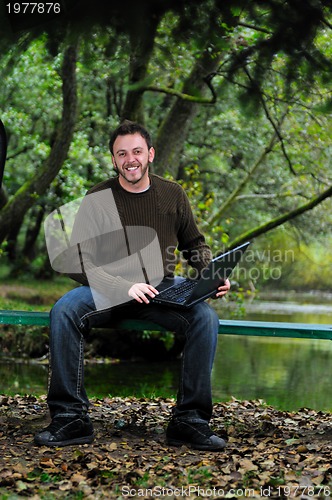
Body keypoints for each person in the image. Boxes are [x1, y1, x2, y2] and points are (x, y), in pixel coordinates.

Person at [34, 120, 231, 451]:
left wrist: (212, 275)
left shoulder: (172, 194)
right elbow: (79, 260)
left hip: (161, 288)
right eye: (121, 153)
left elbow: (194, 244)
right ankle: (71, 418)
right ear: (114, 160)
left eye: (137, 151)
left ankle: (189, 420)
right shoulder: (98, 196)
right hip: (104, 288)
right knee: (64, 311)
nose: (130, 159)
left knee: (205, 318)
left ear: (150, 154)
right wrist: (121, 285)